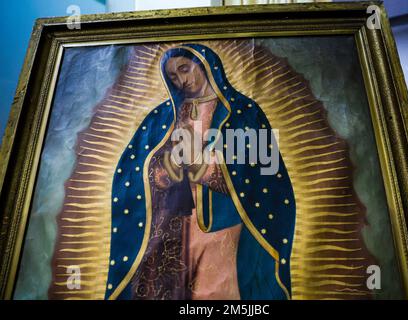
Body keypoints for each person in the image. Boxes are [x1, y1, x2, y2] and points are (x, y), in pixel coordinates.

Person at [104, 44, 296, 300]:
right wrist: (164, 170)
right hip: (172, 227)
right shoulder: (163, 116)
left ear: (206, 65)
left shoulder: (244, 113)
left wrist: (205, 167)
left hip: (224, 226)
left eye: (184, 69)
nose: (181, 80)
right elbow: (134, 168)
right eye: (173, 76)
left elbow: (266, 175)